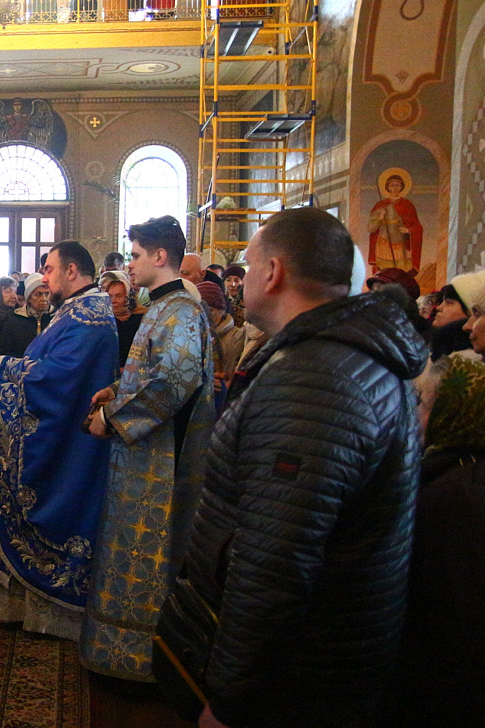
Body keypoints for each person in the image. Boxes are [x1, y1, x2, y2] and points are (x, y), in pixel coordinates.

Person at [163, 207, 426, 728]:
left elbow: (274, 562)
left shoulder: (315, 379)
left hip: (296, 681)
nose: (241, 278)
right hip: (318, 663)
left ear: (273, 272)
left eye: (248, 263)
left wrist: (229, 700)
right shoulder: (337, 355)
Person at [81, 215, 215, 684]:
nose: (130, 265)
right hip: (140, 454)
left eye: (135, 256)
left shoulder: (179, 310)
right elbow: (151, 372)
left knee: (147, 555)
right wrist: (116, 390)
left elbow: (175, 381)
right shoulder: (162, 306)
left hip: (159, 464)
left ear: (160, 257)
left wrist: (112, 418)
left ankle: (140, 663)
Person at [0, 241, 118, 639]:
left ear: (72, 270)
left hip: (69, 443)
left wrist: (4, 368)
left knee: (53, 508)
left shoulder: (90, 315)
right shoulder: (78, 310)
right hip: (67, 434)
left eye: (50, 268)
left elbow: (61, 376)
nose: (44, 276)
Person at [390, 355, 485, 726]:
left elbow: (452, 620)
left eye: (426, 405)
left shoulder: (459, 495)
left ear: (455, 413)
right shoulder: (460, 473)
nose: (416, 415)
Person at [368, 168, 423, 275]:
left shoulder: (407, 205)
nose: (394, 188)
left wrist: (408, 230)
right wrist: (379, 218)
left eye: (397, 185)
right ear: (387, 187)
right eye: (392, 185)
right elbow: (370, 228)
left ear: (402, 187)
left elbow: (417, 226)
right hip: (383, 244)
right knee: (384, 272)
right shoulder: (380, 205)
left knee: (400, 272)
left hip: (400, 245)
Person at [0, 272, 53, 356]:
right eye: (38, 294)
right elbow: (5, 350)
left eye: (47, 294)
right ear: (28, 298)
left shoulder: (57, 316)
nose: (44, 299)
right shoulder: (14, 319)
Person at [99, 269, 144, 364]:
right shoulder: (103, 320)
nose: (113, 301)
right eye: (110, 296)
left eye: (119, 296)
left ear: (128, 297)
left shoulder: (142, 317)